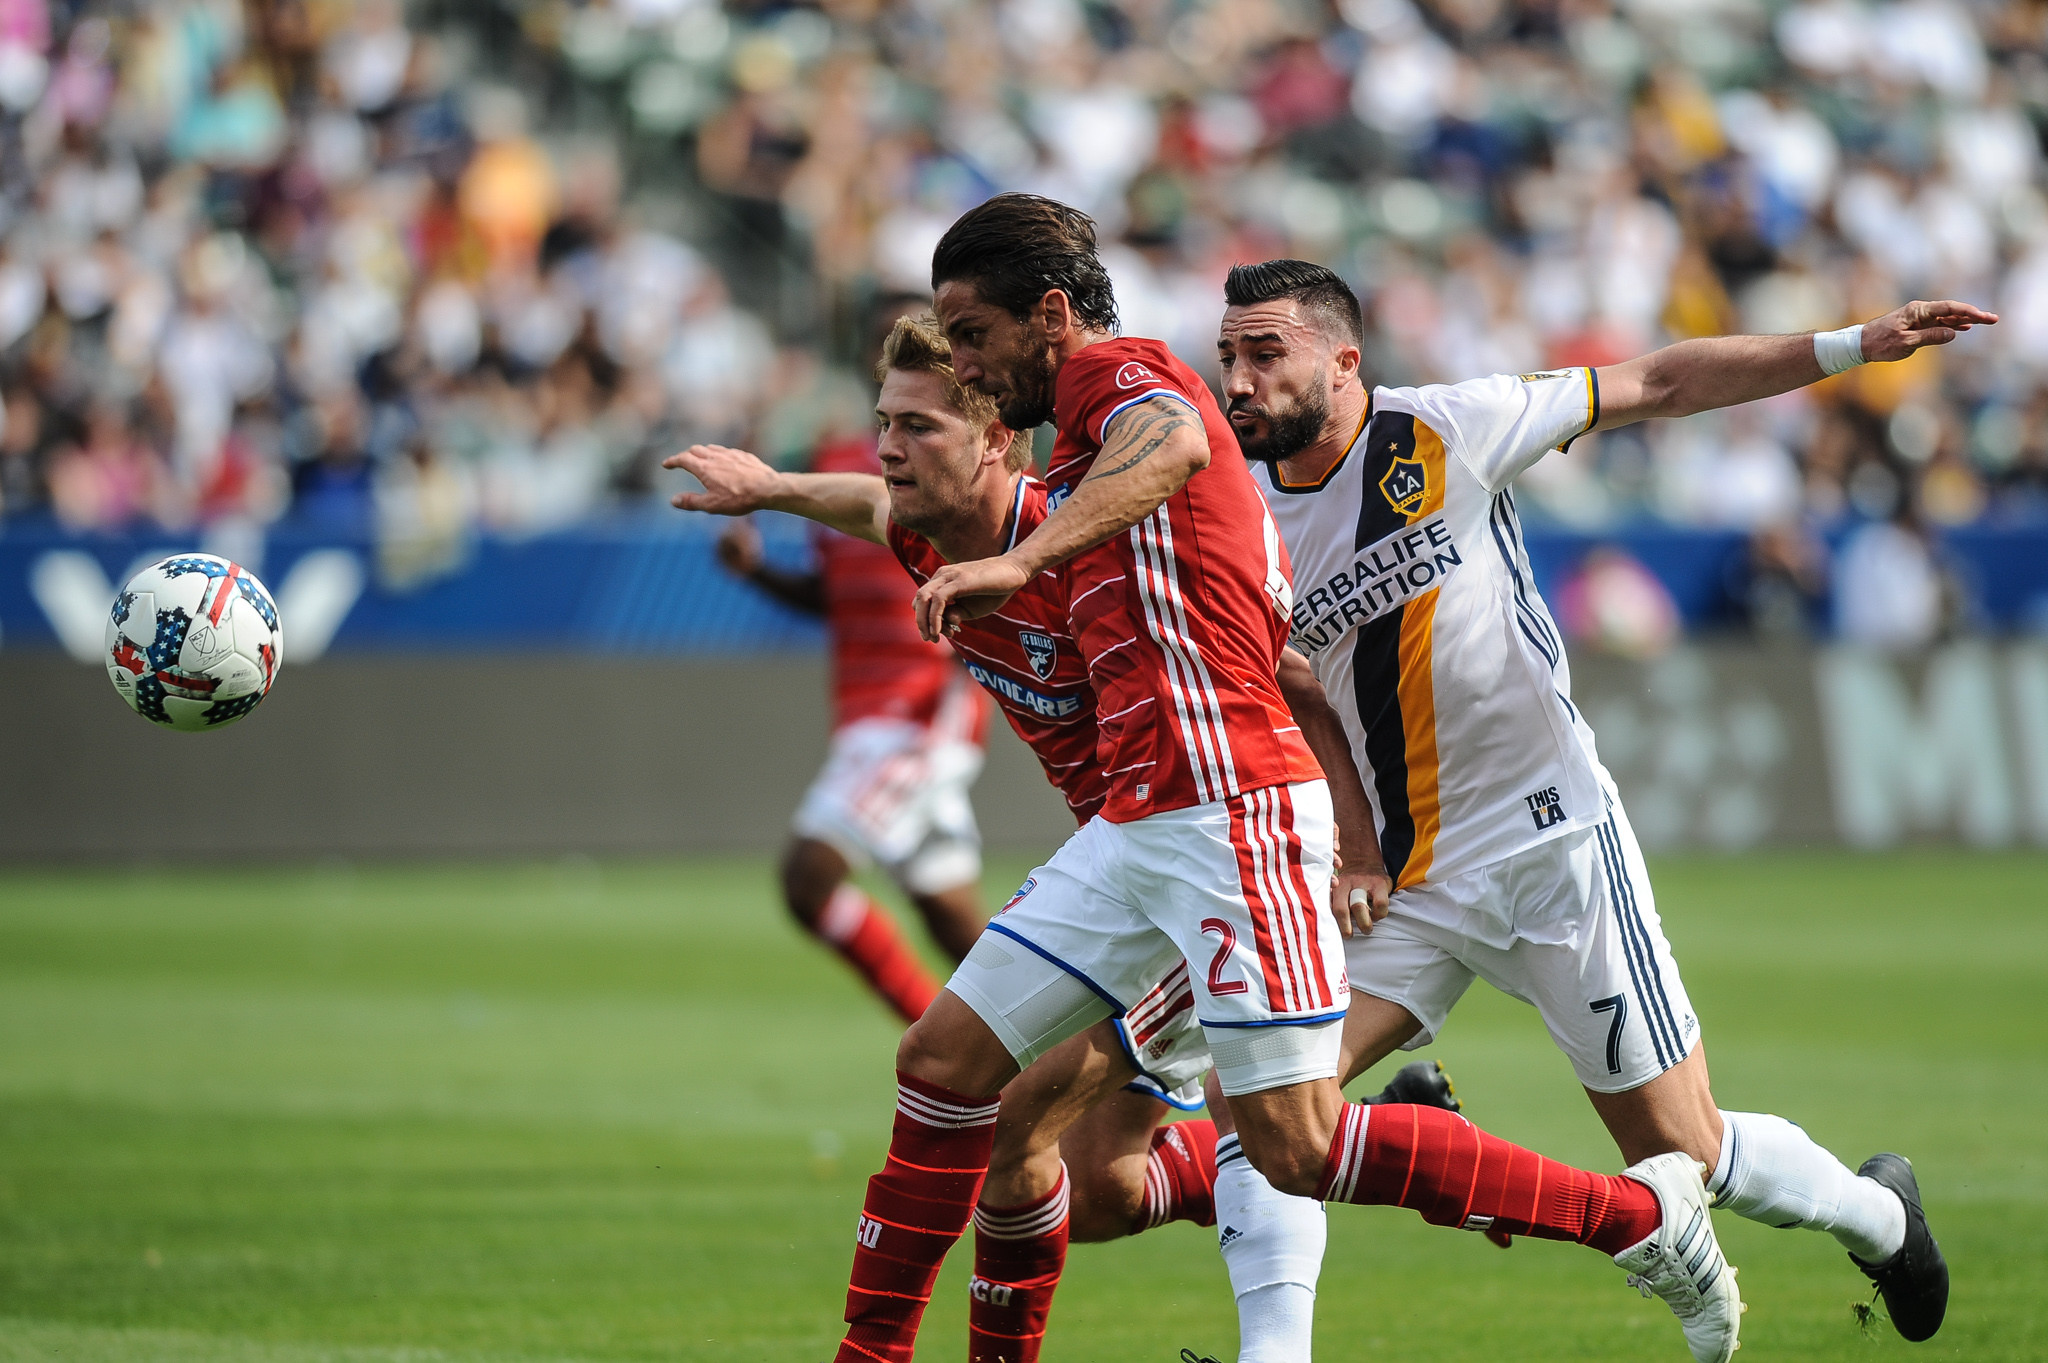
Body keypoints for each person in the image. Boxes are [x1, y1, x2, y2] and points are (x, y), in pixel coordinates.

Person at [833, 194, 1745, 1363]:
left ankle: (1636, 1214)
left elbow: (1172, 444)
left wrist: (1023, 555)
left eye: (970, 335)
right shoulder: (1066, 435)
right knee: (946, 1067)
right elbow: (907, 500)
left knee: (1291, 1148)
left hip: (1234, 814)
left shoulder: (1124, 382)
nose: (961, 365)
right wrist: (776, 486)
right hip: (1136, 824)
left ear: (1047, 316)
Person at [1212, 258, 1983, 1345]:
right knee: (1259, 1101)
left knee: (1683, 1154)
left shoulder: (1447, 429)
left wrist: (1849, 344)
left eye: (1263, 354)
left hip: (1549, 842)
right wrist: (1347, 839)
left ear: (1342, 362)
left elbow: (1658, 383)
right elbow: (1298, 689)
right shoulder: (1243, 518)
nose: (1237, 381)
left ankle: (1878, 1213)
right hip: (1406, 878)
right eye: (1226, 358)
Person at [670, 313, 1460, 1363]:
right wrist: (769, 486)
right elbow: (864, 506)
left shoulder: (1079, 534)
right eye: (883, 423)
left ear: (996, 435)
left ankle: (1600, 1213)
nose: (890, 450)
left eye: (920, 424)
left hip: (1217, 850)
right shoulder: (933, 529)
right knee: (1095, 1187)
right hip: (1130, 866)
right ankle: (1414, 1133)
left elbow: (1287, 685)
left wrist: (1357, 850)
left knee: (1022, 1127)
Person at [712, 430, 991, 1022]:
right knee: (970, 939)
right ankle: (1148, 1101)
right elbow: (833, 593)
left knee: (807, 878)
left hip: (919, 719)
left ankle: (937, 1045)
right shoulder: (837, 460)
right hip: (865, 718)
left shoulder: (962, 457)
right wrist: (757, 571)